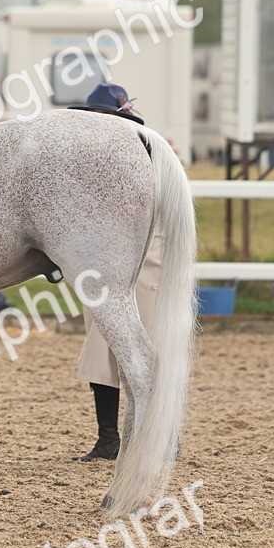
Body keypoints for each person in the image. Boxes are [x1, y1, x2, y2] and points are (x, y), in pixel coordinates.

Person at [67, 82, 165, 462]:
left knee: (146, 344)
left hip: (143, 252)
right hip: (102, 260)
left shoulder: (144, 151)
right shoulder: (87, 158)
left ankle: (158, 434)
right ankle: (108, 436)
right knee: (101, 347)